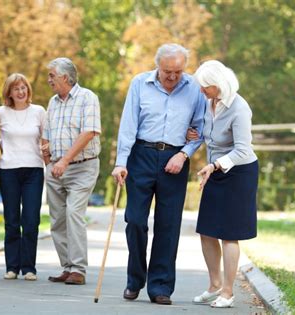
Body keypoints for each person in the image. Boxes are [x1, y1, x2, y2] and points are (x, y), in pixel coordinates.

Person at [111, 43, 206, 304]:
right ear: (157, 66)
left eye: (178, 71)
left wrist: (184, 153)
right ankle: (135, 279)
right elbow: (128, 125)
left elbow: (200, 128)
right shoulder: (139, 84)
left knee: (168, 225)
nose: (173, 77)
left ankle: (160, 286)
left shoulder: (194, 88)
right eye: (168, 71)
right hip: (141, 155)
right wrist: (121, 162)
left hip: (174, 158)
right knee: (136, 221)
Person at [188, 60, 258, 308]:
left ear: (217, 85)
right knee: (206, 230)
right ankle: (214, 284)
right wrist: (195, 134)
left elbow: (242, 150)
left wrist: (215, 165)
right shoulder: (209, 103)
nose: (201, 91)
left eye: (205, 87)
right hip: (214, 171)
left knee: (230, 235)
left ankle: (228, 292)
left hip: (239, 173)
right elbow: (210, 133)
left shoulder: (239, 108)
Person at [42, 57, 101, 285]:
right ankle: (67, 267)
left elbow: (89, 132)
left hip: (81, 167)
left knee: (73, 214)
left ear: (65, 77)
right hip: (56, 168)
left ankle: (78, 269)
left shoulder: (88, 98)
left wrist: (64, 160)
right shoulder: (53, 102)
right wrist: (48, 161)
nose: (49, 80)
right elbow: (46, 134)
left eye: (51, 76)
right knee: (57, 219)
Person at [0, 73, 46, 281]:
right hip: (9, 170)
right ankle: (12, 267)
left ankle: (29, 268)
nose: (21, 92)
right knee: (12, 220)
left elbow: (47, 137)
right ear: (9, 92)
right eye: (16, 89)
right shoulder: (1, 113)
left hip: (34, 169)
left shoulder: (39, 112)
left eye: (23, 87)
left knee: (31, 220)